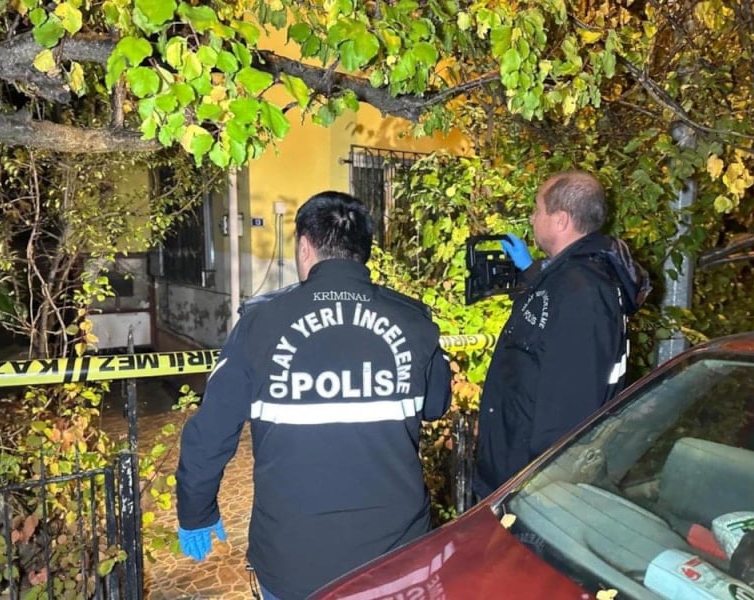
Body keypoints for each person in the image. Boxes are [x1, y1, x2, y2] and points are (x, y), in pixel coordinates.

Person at [175, 191, 452, 600]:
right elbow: (436, 404)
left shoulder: (259, 324)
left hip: (294, 564)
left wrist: (195, 512)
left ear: (305, 247)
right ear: (364, 251)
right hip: (397, 559)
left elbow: (210, 434)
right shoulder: (413, 320)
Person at [473, 170, 651, 499]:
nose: (532, 217)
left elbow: (568, 410)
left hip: (529, 486)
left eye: (538, 209)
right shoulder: (570, 277)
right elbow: (548, 329)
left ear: (561, 220)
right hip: (511, 470)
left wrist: (535, 493)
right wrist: (530, 271)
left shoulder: (582, 293)